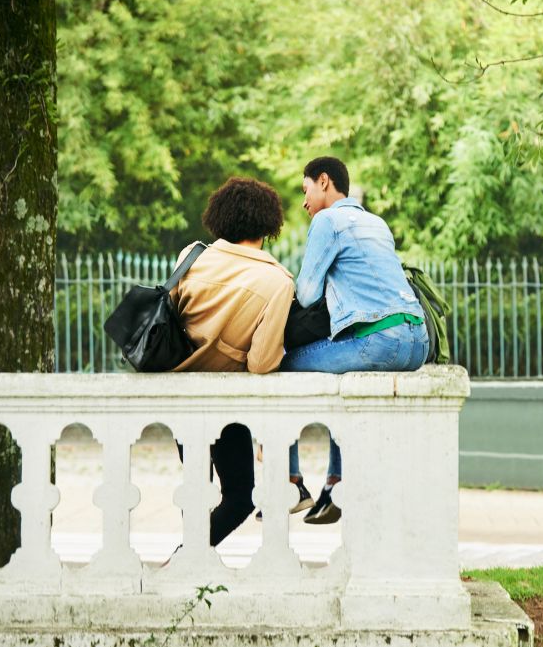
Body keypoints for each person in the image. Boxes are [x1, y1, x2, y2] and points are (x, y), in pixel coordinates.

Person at [281, 156, 428, 524]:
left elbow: (309, 292)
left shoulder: (327, 221)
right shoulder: (376, 222)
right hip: (418, 340)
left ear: (325, 181)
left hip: (379, 341)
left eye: (306, 190)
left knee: (278, 365)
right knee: (338, 374)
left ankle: (292, 482)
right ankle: (334, 482)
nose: (304, 202)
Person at [170, 176, 311, 546]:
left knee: (196, 491)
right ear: (269, 224)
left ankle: (186, 563)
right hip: (225, 405)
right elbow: (262, 363)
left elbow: (170, 315)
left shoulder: (192, 255)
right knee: (240, 496)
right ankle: (185, 558)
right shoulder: (277, 281)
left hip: (180, 394)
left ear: (220, 216)